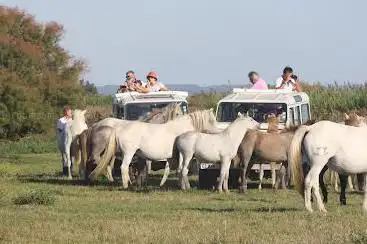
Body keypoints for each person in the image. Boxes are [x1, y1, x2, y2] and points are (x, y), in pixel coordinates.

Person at [56, 105, 73, 176]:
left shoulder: (72, 120)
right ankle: (65, 172)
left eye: (71, 112)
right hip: (63, 140)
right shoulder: (61, 120)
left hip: (72, 140)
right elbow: (60, 130)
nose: (71, 114)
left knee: (71, 156)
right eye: (70, 112)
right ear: (66, 112)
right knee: (64, 157)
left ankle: (70, 171)